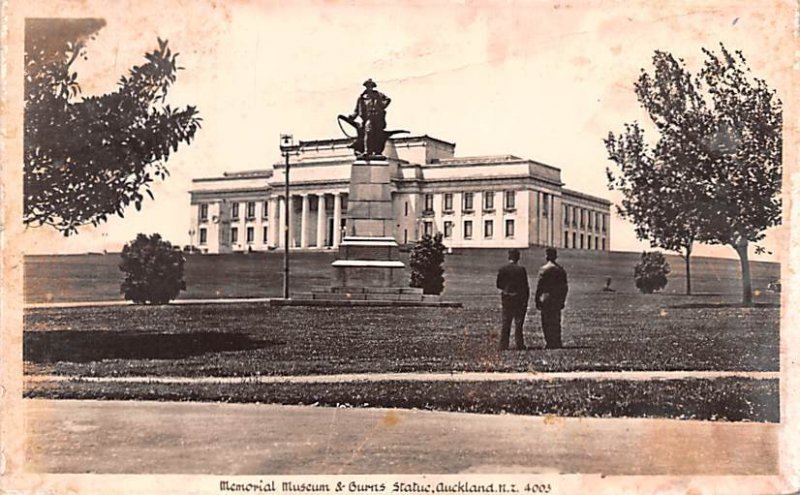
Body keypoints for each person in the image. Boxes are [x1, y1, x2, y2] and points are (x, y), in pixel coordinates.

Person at [496, 249, 530, 351]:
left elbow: (499, 285)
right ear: (518, 257)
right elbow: (525, 286)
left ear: (509, 257)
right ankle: (519, 344)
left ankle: (503, 345)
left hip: (507, 298)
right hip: (519, 298)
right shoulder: (521, 270)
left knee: (506, 322)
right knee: (519, 323)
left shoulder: (503, 269)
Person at [535, 247, 569, 349]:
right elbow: (564, 287)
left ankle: (549, 342)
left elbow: (539, 286)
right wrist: (563, 299)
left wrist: (537, 299)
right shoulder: (560, 270)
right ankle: (557, 341)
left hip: (546, 297)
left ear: (546, 256)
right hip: (556, 298)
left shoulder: (543, 269)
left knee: (546, 321)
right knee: (556, 321)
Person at [349, 78, 391, 156]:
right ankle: (367, 151)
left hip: (378, 118)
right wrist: (352, 117)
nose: (369, 87)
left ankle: (378, 152)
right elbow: (357, 110)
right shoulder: (362, 98)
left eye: (371, 86)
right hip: (368, 118)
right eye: (368, 86)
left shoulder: (378, 95)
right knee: (368, 132)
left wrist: (382, 106)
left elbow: (388, 100)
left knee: (378, 135)